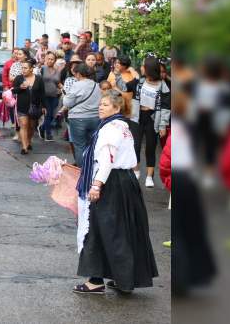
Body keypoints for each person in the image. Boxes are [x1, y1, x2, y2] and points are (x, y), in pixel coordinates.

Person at [73, 90, 158, 295]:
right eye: (100, 104)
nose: (100, 107)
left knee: (101, 230)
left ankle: (95, 280)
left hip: (111, 182)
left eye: (105, 104)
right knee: (123, 231)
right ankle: (123, 279)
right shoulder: (123, 126)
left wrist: (96, 185)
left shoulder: (110, 129)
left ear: (117, 108)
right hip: (125, 181)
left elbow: (107, 159)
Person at [125, 56, 171, 187]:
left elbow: (166, 107)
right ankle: (136, 170)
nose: (141, 68)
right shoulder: (139, 81)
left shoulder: (163, 86)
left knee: (150, 148)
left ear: (149, 69)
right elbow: (123, 86)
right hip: (137, 117)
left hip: (152, 118)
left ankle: (150, 177)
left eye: (143, 66)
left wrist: (162, 125)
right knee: (135, 146)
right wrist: (132, 74)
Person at [62, 63, 101, 167]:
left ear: (79, 74)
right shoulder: (96, 85)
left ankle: (82, 172)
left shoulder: (77, 85)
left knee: (80, 146)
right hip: (95, 118)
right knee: (92, 145)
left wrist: (65, 96)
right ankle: (92, 170)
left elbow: (67, 102)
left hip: (78, 119)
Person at [12, 59, 45, 154]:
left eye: (25, 68)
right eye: (22, 68)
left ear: (31, 69)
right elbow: (14, 90)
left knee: (31, 127)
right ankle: (24, 147)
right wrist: (20, 88)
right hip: (22, 106)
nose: (23, 70)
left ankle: (28, 141)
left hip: (35, 106)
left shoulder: (39, 78)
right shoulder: (18, 78)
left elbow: (42, 93)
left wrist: (44, 106)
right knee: (24, 125)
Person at [40, 52, 62, 141]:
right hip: (44, 96)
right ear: (46, 59)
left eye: (52, 59)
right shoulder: (42, 69)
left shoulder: (57, 71)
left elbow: (58, 83)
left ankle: (42, 128)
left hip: (55, 95)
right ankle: (48, 134)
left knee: (53, 115)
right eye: (48, 59)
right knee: (48, 114)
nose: (50, 60)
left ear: (55, 61)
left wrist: (62, 88)